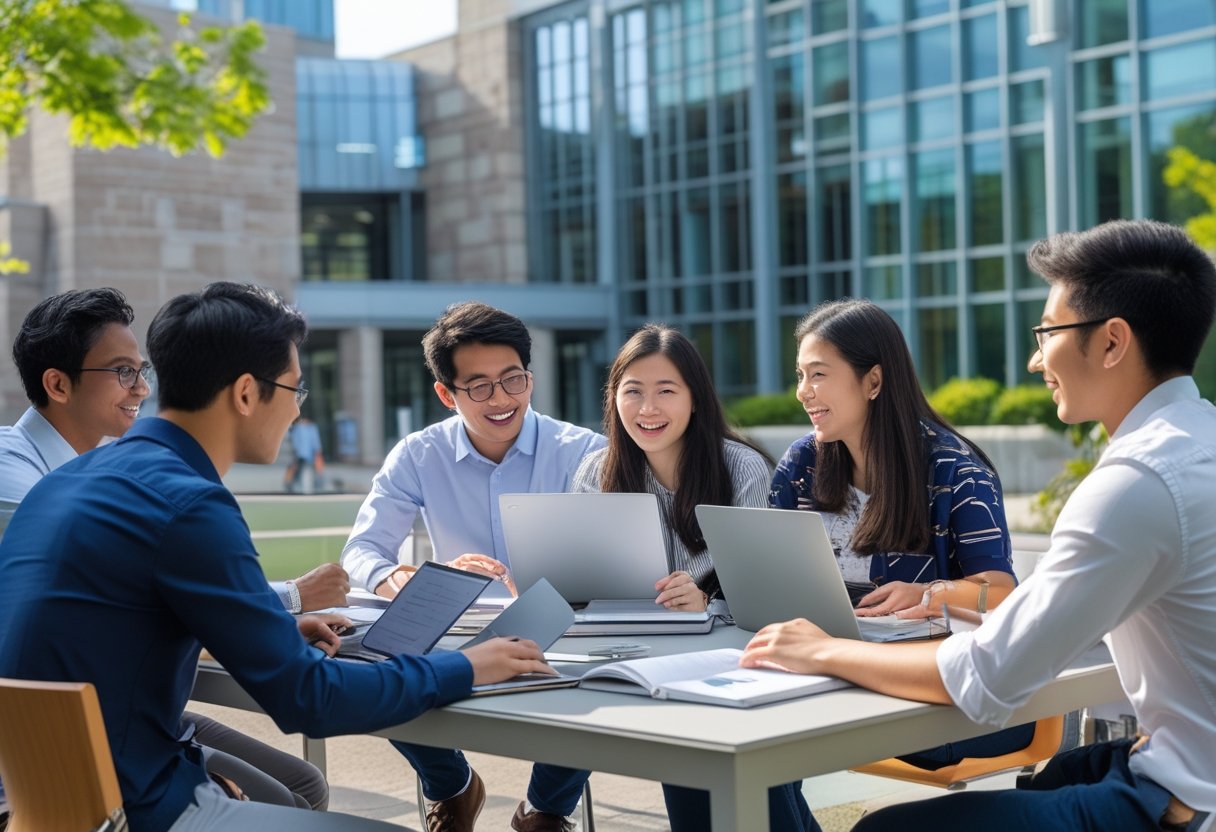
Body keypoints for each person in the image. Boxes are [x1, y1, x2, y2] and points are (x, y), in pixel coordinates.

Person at [0, 282, 551, 832]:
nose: (295, 411)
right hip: (136, 810)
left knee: (296, 794)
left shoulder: (71, 481)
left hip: (50, 804)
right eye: (294, 388)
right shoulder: (189, 504)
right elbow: (308, 700)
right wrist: (467, 666)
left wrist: (272, 629)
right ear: (246, 393)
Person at [742, 220, 1216, 831]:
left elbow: (987, 678)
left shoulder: (1136, 482)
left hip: (1188, 794)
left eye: (1047, 332)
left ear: (1111, 342)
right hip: (1174, 758)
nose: (1036, 359)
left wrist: (825, 650)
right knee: (1058, 779)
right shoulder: (1195, 442)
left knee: (884, 830)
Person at [0, 288, 348, 812]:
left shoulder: (100, 470)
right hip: (55, 753)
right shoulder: (23, 478)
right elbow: (125, 584)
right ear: (58, 384)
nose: (142, 388)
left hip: (108, 712)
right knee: (286, 800)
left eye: (142, 370)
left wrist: (250, 622)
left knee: (304, 786)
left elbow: (128, 601)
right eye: (123, 372)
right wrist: (285, 600)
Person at [340, 301, 605, 832]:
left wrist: (555, 580)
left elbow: (609, 561)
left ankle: (547, 809)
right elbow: (362, 549)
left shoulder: (585, 451)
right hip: (454, 629)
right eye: (479, 387)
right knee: (371, 665)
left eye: (513, 379)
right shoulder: (417, 454)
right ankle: (452, 787)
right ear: (447, 394)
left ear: (530, 377)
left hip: (561, 626)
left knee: (602, 676)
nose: (502, 399)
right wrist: (397, 577)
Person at [561, 324, 807, 832]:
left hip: (730, 660)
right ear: (614, 399)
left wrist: (708, 606)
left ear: (695, 399)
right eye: (633, 392)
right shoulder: (595, 471)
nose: (648, 408)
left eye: (666, 391)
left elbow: (768, 600)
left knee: (741, 786)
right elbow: (580, 584)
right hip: (636, 656)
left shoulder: (741, 468)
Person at [284, 415, 324, 493]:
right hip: (304, 454)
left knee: (301, 470)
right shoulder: (306, 428)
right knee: (302, 470)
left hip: (303, 454)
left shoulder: (304, 428)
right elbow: (315, 441)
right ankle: (296, 484)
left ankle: (295, 484)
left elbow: (295, 440)